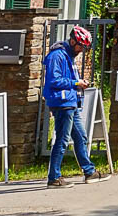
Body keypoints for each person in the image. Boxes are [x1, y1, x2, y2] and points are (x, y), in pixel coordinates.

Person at [43, 26, 107, 187]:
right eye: (81, 46)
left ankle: (89, 172)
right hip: (62, 103)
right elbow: (53, 81)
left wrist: (77, 84)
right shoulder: (56, 56)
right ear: (73, 41)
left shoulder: (68, 55)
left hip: (71, 102)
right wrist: (75, 83)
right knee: (63, 140)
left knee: (80, 137)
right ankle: (54, 177)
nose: (81, 50)